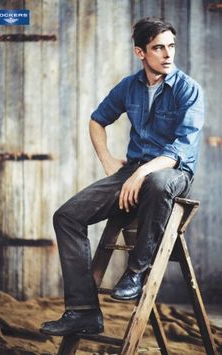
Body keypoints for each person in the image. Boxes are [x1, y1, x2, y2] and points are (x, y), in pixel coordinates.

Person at [40, 17, 204, 336]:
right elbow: (96, 120)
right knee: (67, 216)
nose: (168, 54)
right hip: (131, 171)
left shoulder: (189, 90)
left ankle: (136, 272)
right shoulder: (129, 86)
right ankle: (83, 311)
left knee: (156, 182)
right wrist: (108, 162)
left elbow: (179, 149)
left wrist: (140, 172)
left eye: (171, 46)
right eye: (158, 48)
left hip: (172, 172)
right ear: (140, 53)